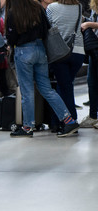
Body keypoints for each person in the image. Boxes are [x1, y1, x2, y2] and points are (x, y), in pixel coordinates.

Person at [6, 0, 80, 138]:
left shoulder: (13, 12)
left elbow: (11, 37)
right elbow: (47, 28)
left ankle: (28, 127)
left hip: (23, 51)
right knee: (47, 89)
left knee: (27, 92)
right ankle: (69, 121)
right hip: (41, 50)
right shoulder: (38, 8)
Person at [46, 0, 85, 130]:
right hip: (78, 52)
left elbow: (47, 26)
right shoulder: (79, 7)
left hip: (59, 52)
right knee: (66, 85)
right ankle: (57, 121)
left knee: (64, 86)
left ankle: (70, 121)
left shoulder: (52, 7)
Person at [81, 0, 98, 128]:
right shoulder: (94, 5)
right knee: (91, 81)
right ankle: (93, 115)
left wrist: (89, 24)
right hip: (95, 47)